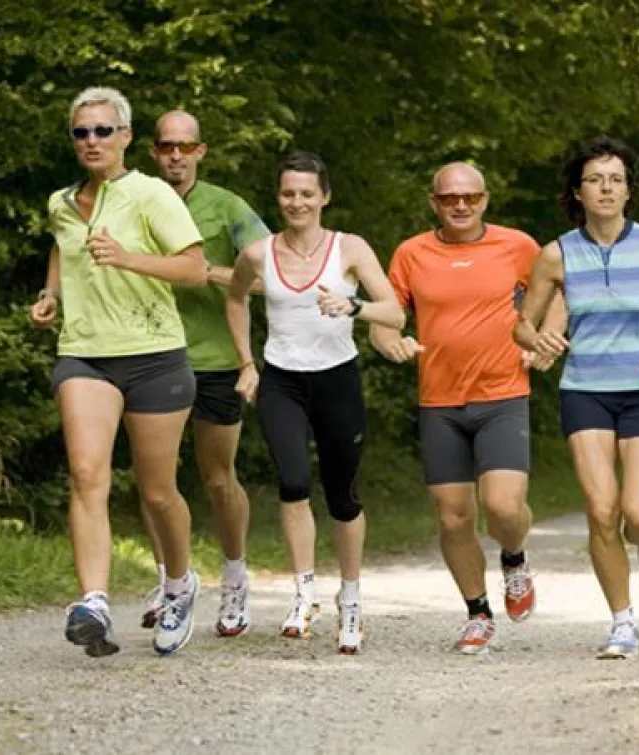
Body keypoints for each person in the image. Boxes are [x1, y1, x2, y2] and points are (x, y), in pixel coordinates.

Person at [29, 87, 208, 658]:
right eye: (82, 132)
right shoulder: (61, 201)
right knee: (86, 475)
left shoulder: (150, 195)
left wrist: (128, 258)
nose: (92, 142)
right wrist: (50, 293)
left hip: (155, 355)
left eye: (104, 131)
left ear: (127, 137)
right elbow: (63, 247)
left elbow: (195, 269)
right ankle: (94, 602)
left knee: (157, 494)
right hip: (84, 353)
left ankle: (179, 585)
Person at [513, 135, 639, 659]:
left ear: (628, 190)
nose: (606, 188)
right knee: (601, 511)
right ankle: (622, 622)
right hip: (585, 393)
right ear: (577, 191)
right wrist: (540, 341)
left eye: (615, 180)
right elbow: (522, 328)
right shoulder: (556, 254)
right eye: (595, 180)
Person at [371, 162, 561, 656]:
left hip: (501, 395)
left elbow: (559, 289)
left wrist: (546, 338)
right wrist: (389, 341)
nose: (460, 205)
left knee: (501, 507)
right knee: (453, 518)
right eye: (450, 198)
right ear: (434, 202)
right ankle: (477, 613)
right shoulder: (412, 253)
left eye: (470, 198)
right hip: (440, 402)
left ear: (485, 200)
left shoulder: (517, 245)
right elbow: (387, 314)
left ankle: (515, 560)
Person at [226, 150, 405, 654]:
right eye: (288, 194)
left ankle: (351, 600)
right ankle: (304, 593)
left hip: (336, 380)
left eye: (307, 193)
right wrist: (245, 362)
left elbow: (395, 313)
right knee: (292, 480)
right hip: (282, 380)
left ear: (324, 196)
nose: (297, 202)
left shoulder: (349, 248)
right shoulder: (259, 253)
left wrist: (355, 306)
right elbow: (236, 297)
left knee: (342, 494)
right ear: (278, 197)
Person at [135, 110, 272, 637]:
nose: (175, 155)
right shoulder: (137, 200)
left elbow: (270, 275)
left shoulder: (226, 206)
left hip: (214, 359)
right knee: (155, 484)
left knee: (218, 479)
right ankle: (170, 579)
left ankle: (235, 577)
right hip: (149, 354)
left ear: (200, 151)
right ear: (153, 152)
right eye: (166, 146)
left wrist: (208, 273)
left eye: (184, 146)